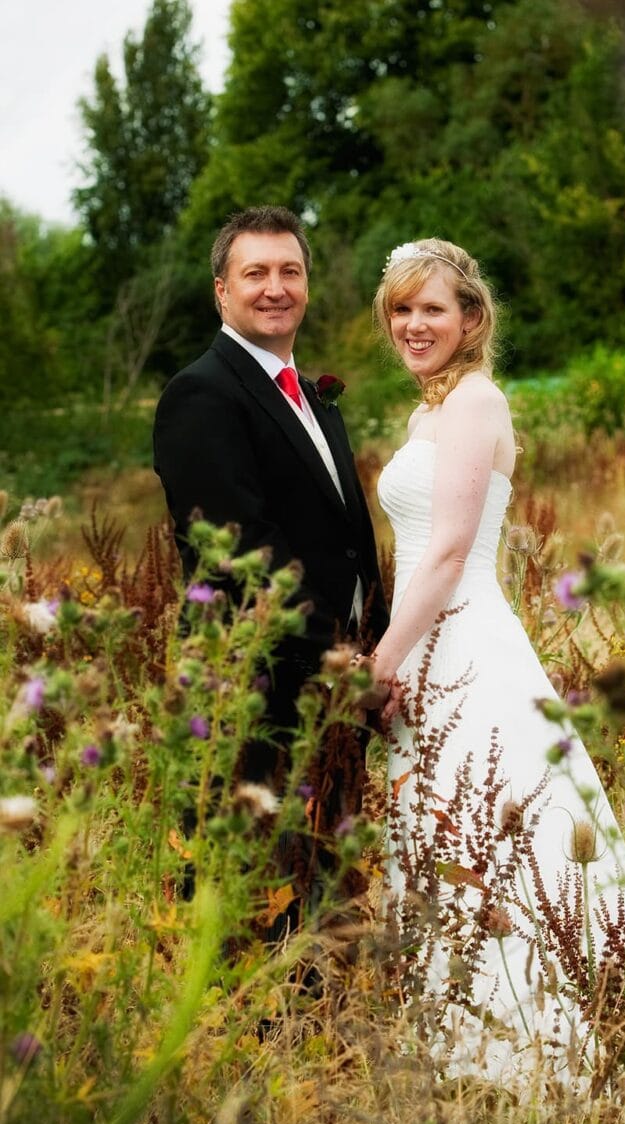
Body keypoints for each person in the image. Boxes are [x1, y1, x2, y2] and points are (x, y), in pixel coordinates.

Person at [370, 239, 625, 1084]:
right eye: (401, 308)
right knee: (441, 828)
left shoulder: (475, 403)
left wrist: (380, 662)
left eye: (432, 308)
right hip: (424, 638)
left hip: (461, 637)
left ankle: (527, 1044)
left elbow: (455, 545)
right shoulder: (431, 411)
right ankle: (451, 1027)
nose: (415, 324)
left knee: (498, 824)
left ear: (471, 317)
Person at [153, 205, 389, 927]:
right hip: (260, 690)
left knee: (323, 889)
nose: (275, 287)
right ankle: (258, 1034)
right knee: (257, 901)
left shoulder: (314, 395)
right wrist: (341, 657)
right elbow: (242, 551)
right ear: (221, 292)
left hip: (332, 688)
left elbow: (345, 539)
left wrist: (376, 642)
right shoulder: (201, 394)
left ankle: (317, 1028)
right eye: (254, 272)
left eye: (290, 270)